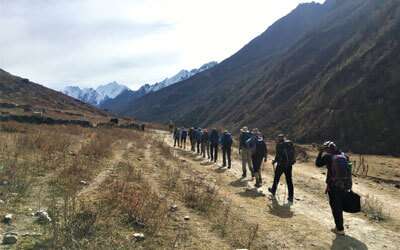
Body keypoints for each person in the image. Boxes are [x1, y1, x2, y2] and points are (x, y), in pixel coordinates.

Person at [316, 141, 352, 236]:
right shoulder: (344, 156)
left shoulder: (328, 156)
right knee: (339, 205)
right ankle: (339, 226)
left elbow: (318, 164)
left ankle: (340, 229)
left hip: (333, 186)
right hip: (344, 185)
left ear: (327, 149)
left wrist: (320, 152)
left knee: (336, 207)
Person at [268, 134, 295, 203]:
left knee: (276, 178)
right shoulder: (289, 144)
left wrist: (274, 161)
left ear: (279, 139)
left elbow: (278, 155)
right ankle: (291, 196)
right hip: (289, 165)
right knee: (289, 180)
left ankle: (273, 191)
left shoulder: (279, 145)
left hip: (281, 165)